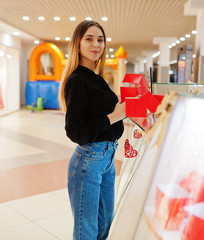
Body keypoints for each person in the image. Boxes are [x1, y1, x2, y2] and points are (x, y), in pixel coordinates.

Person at [58, 20, 126, 240]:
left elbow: (105, 118)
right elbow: (75, 131)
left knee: (105, 223)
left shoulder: (97, 79)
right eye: (89, 39)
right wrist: (114, 116)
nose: (96, 44)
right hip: (89, 160)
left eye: (100, 39)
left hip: (107, 159)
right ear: (77, 44)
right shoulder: (77, 80)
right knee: (86, 230)